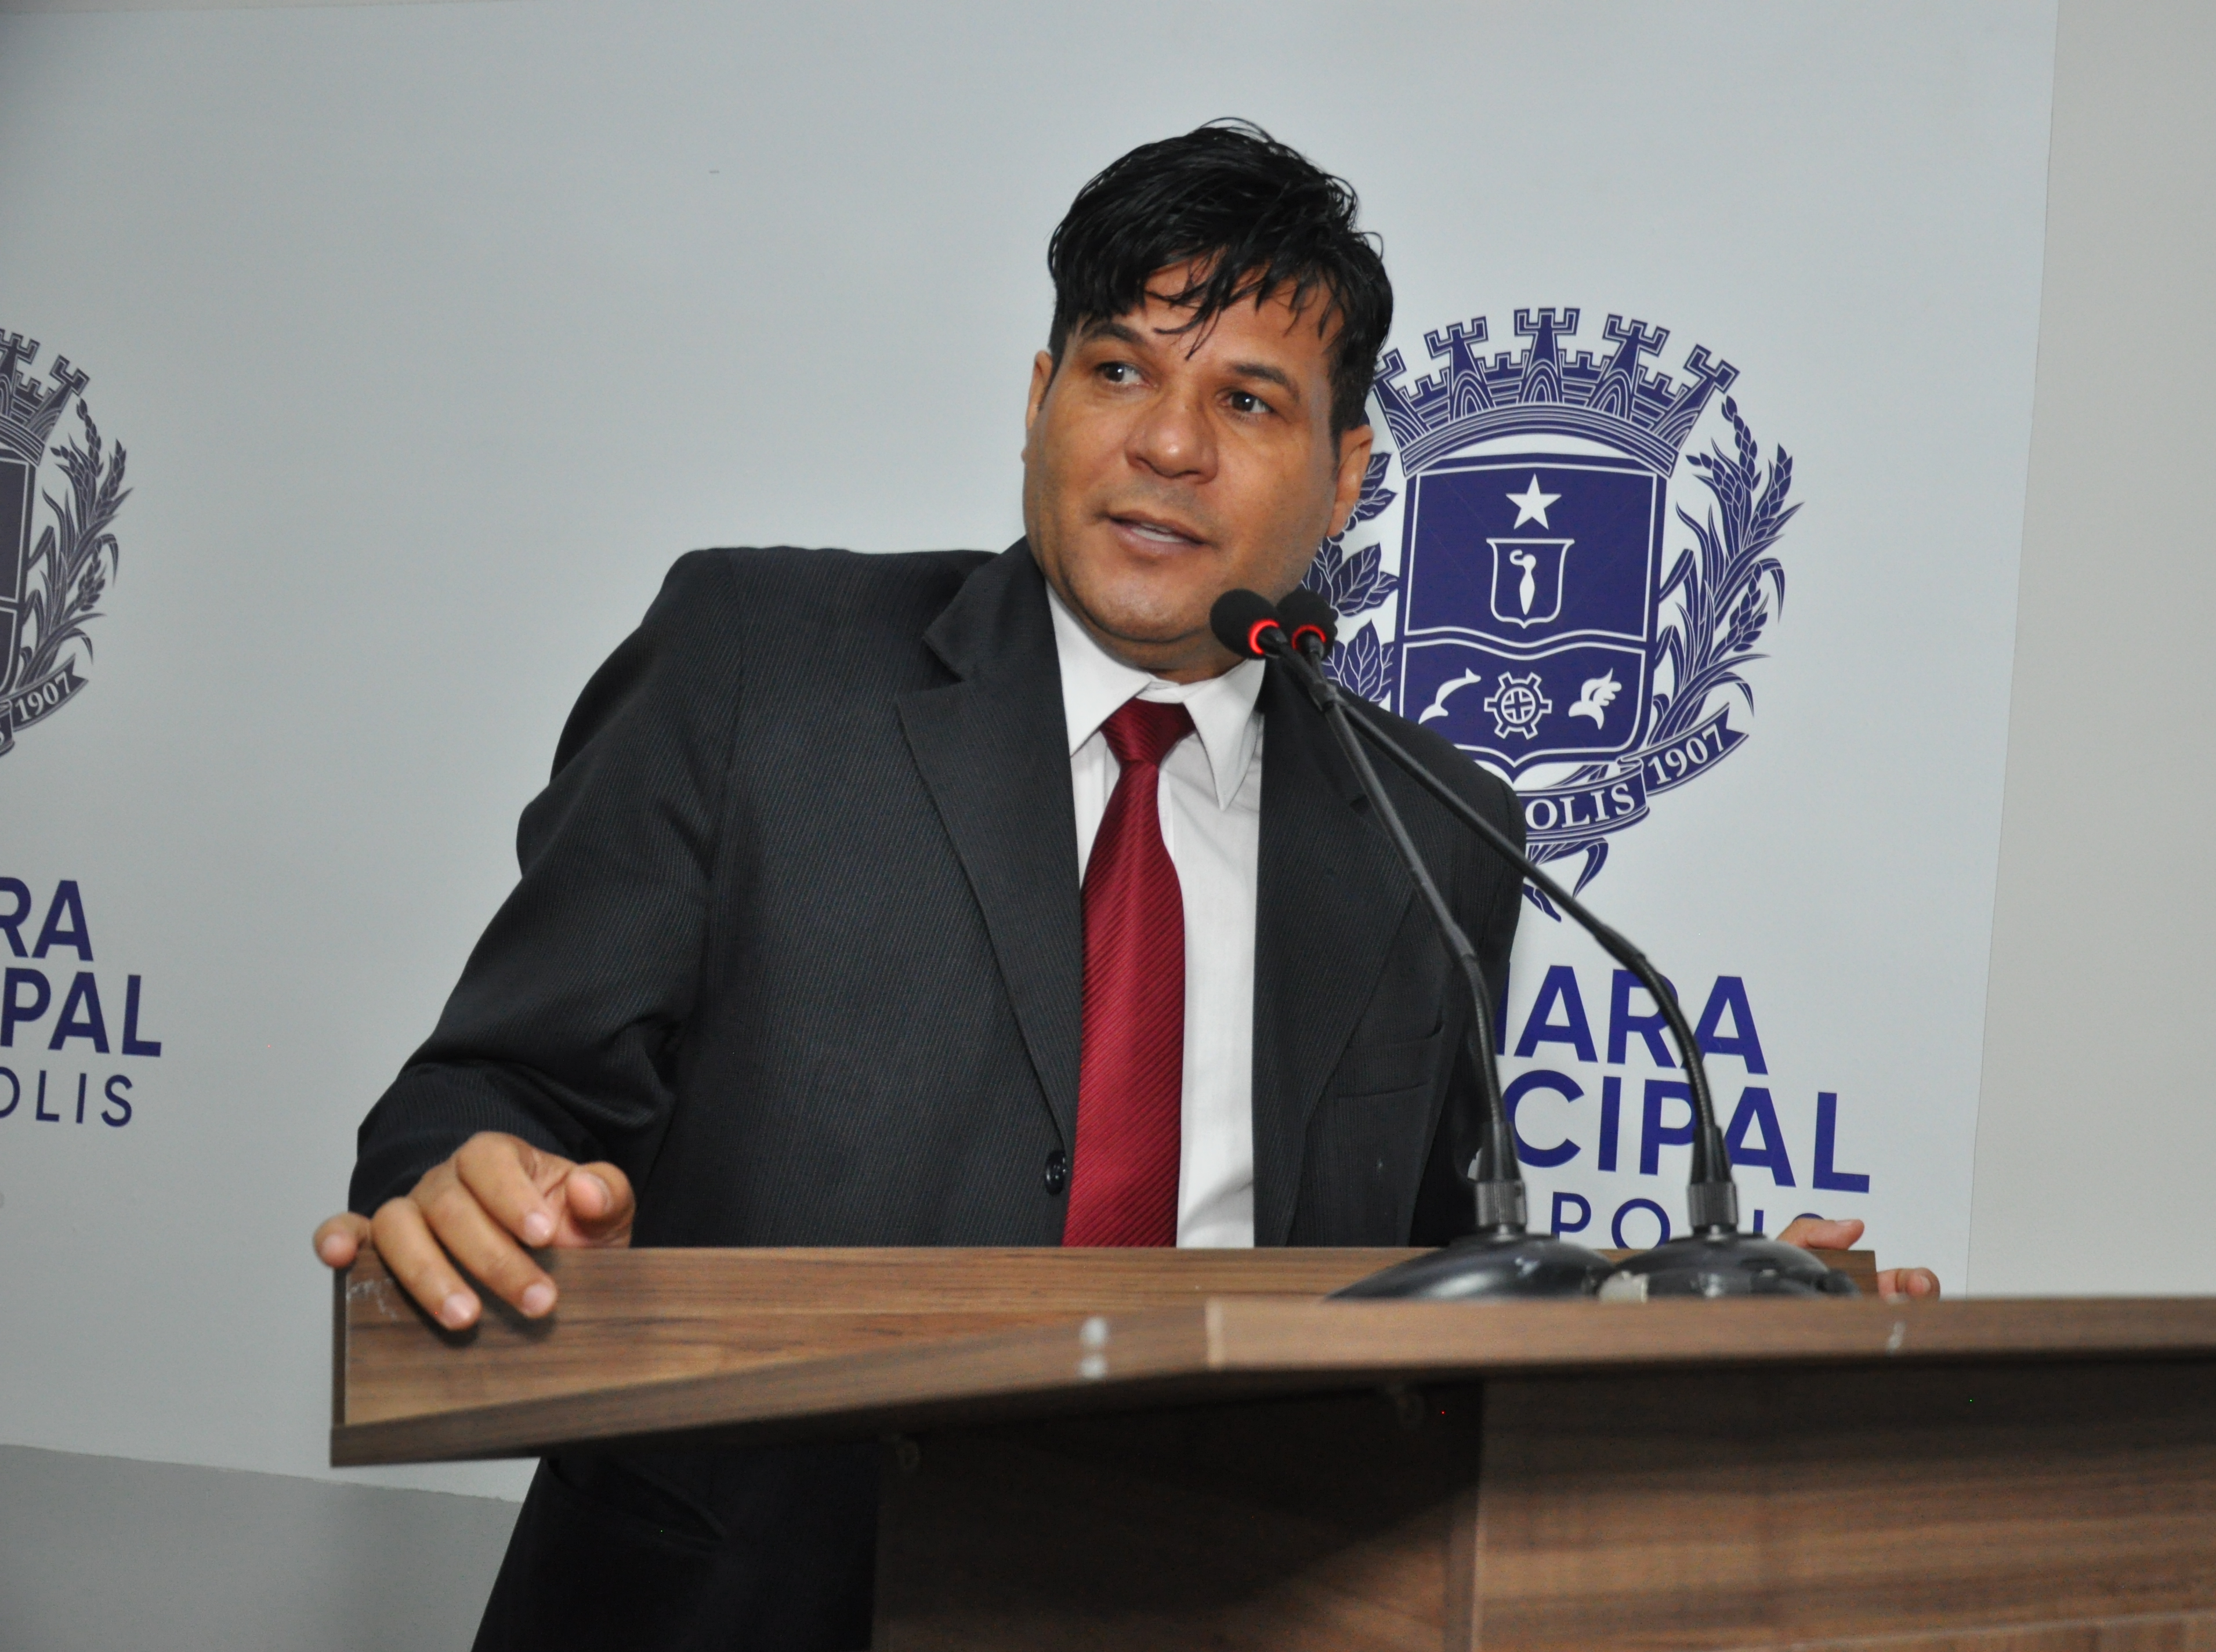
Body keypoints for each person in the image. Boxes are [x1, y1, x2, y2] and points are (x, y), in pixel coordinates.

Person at [313, 120, 1938, 1651]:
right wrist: (473, 1174)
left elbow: (1424, 1306)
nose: (1166, 443)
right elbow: (484, 1090)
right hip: (749, 1602)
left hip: (1220, 1608)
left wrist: (1694, 1329)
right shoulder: (758, 670)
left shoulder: (1433, 827)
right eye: (1118, 371)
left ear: (1349, 476)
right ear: (1037, 399)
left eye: (1248, 401)